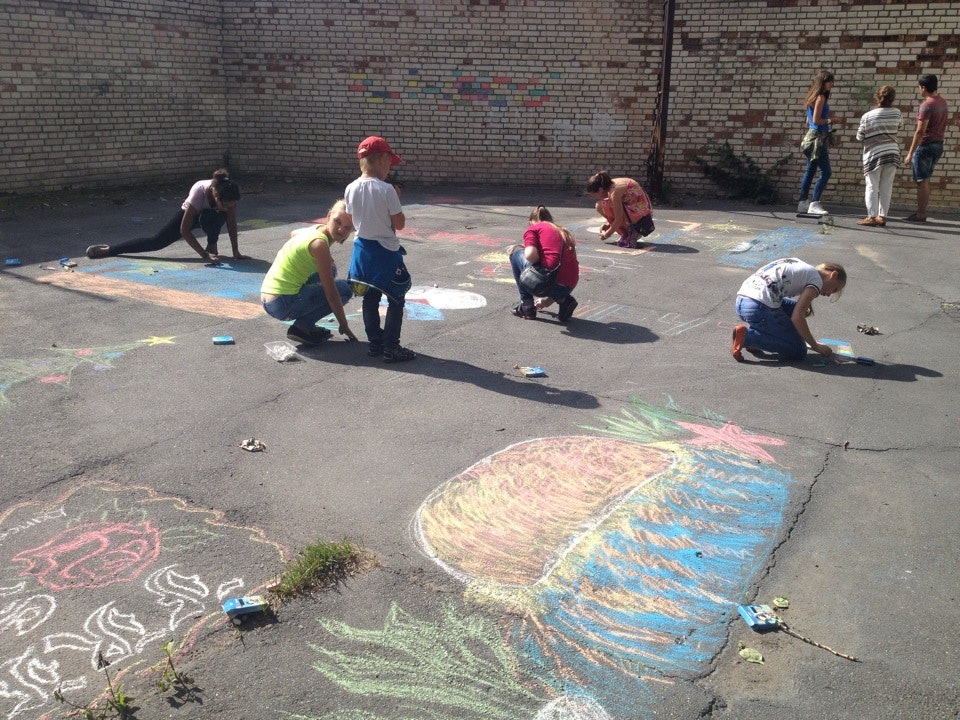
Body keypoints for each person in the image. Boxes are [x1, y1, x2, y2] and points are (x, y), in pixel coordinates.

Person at [345, 136, 416, 363]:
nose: (390, 168)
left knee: (370, 298)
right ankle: (391, 346)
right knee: (396, 297)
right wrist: (396, 199)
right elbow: (399, 224)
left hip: (362, 250)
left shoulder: (350, 188)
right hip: (385, 251)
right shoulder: (386, 190)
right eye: (389, 163)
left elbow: (352, 218)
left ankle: (375, 343)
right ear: (383, 159)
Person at [86, 169, 248, 262]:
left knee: (213, 217)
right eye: (226, 205)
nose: (230, 208)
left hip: (209, 218)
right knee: (156, 242)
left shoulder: (229, 193)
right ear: (217, 197)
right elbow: (184, 230)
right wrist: (203, 255)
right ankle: (109, 250)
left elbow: (231, 224)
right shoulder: (199, 191)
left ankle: (212, 244)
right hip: (191, 215)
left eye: (232, 205)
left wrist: (236, 252)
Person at [260, 199, 358, 346]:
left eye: (347, 227)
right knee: (345, 289)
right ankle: (302, 326)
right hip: (282, 303)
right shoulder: (319, 244)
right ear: (329, 215)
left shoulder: (315, 230)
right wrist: (344, 325)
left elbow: (293, 233)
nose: (340, 230)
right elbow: (332, 295)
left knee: (331, 269)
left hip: (268, 298)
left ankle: (305, 324)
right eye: (337, 222)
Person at [731, 258, 847, 362]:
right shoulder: (816, 281)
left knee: (796, 308)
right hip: (759, 307)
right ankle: (748, 337)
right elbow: (797, 317)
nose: (829, 294)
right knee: (798, 350)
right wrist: (815, 346)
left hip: (742, 300)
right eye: (834, 289)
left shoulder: (801, 265)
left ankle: (761, 332)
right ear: (833, 275)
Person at [509, 206, 580, 322]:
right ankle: (564, 300)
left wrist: (533, 254)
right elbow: (559, 270)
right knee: (558, 273)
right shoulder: (563, 232)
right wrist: (546, 302)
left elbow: (530, 255)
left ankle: (527, 306)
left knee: (515, 253)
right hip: (568, 285)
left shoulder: (534, 229)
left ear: (531, 222)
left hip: (545, 282)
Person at [855, 84, 903, 227]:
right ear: (892, 98)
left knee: (872, 186)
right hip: (892, 152)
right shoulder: (897, 113)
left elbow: (859, 136)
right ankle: (882, 217)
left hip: (873, 155)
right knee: (886, 186)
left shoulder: (867, 116)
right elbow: (899, 127)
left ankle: (871, 216)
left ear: (877, 97)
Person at [903, 74, 948, 222]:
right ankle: (921, 212)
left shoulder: (927, 105)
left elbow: (920, 131)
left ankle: (921, 214)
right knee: (925, 179)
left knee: (922, 181)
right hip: (938, 144)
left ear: (923, 88)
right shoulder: (942, 102)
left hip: (925, 147)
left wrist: (910, 153)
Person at [798, 70, 835, 216]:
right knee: (826, 171)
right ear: (822, 82)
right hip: (818, 138)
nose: (831, 84)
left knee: (810, 170)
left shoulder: (812, 98)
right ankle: (815, 203)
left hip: (811, 137)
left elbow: (808, 121)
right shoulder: (820, 98)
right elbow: (816, 120)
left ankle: (803, 202)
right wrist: (832, 120)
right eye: (828, 81)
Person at [585, 171, 654, 248]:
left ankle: (632, 231)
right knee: (600, 205)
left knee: (600, 206)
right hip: (639, 211)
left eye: (594, 195)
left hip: (641, 218)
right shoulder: (610, 185)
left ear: (600, 190)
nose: (595, 198)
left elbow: (619, 219)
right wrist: (609, 224)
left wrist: (606, 234)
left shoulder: (615, 192)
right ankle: (628, 231)